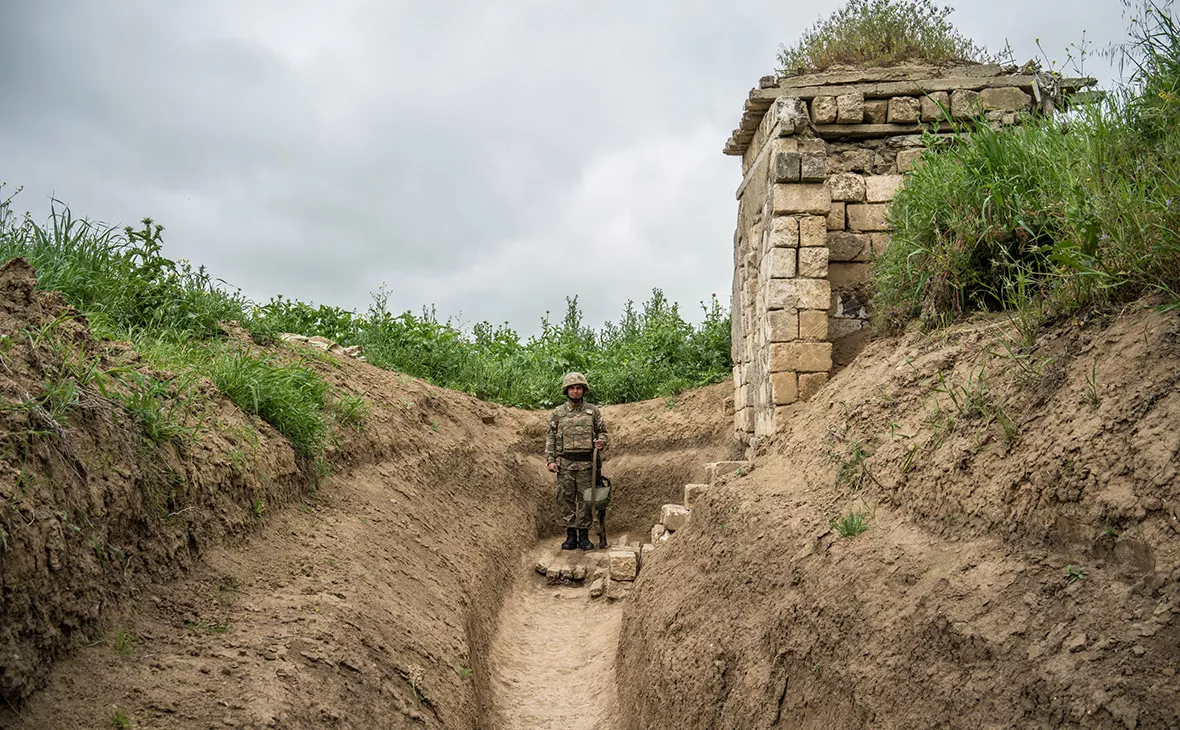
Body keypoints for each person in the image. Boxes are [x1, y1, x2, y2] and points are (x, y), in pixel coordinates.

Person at [545, 372, 608, 550]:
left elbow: (603, 433)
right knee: (565, 499)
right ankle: (571, 535)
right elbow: (550, 437)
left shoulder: (593, 412)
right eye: (572, 388)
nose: (575, 391)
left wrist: (601, 441)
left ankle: (584, 536)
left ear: (583, 390)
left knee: (587, 500)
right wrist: (550, 460)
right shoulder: (558, 413)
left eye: (578, 388)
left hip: (587, 465)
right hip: (564, 465)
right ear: (566, 391)